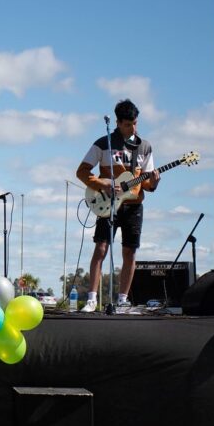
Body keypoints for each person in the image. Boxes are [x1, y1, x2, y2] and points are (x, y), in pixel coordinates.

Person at [76, 99, 160, 312]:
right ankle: (92, 299)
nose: (133, 128)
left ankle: (123, 299)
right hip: (109, 203)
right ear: (118, 122)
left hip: (134, 205)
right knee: (101, 247)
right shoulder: (104, 143)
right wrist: (102, 184)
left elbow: (148, 185)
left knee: (130, 251)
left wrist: (155, 181)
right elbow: (82, 171)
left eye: (135, 123)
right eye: (128, 124)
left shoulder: (145, 146)